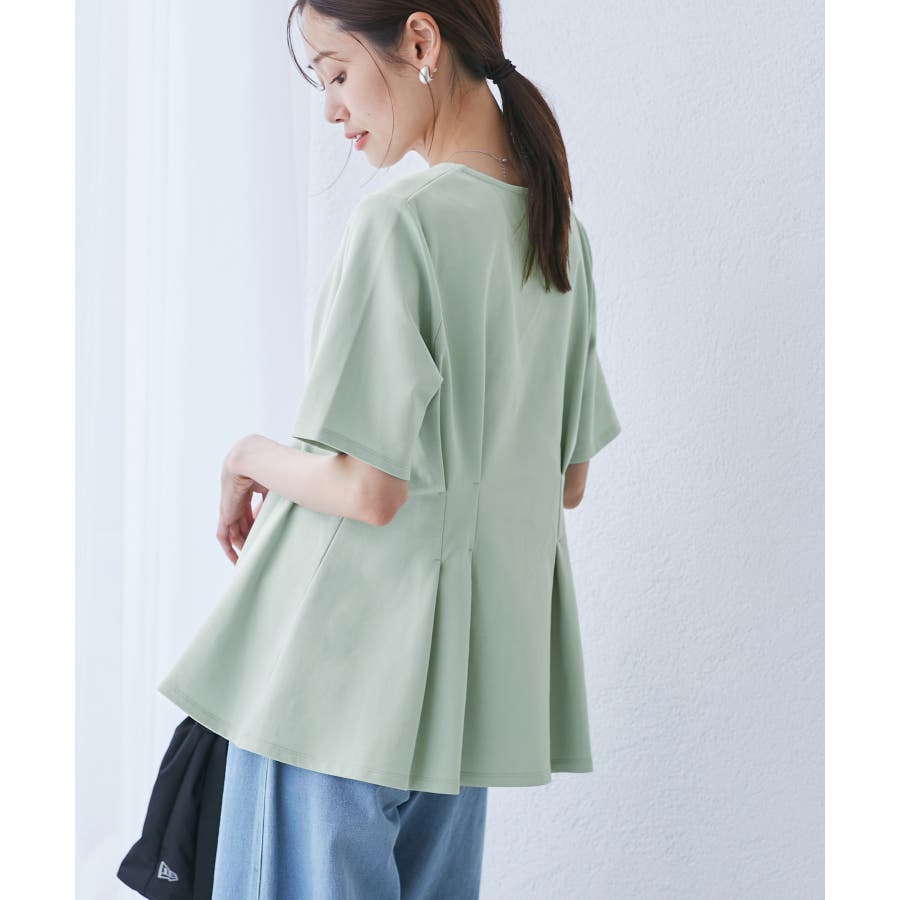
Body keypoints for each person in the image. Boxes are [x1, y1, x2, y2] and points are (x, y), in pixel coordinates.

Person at [156, 2, 622, 897]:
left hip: (330, 684)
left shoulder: (400, 221)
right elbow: (566, 481)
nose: (331, 108)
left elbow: (369, 489)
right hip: (455, 710)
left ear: (419, 40)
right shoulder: (561, 235)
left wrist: (248, 455)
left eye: (335, 72)